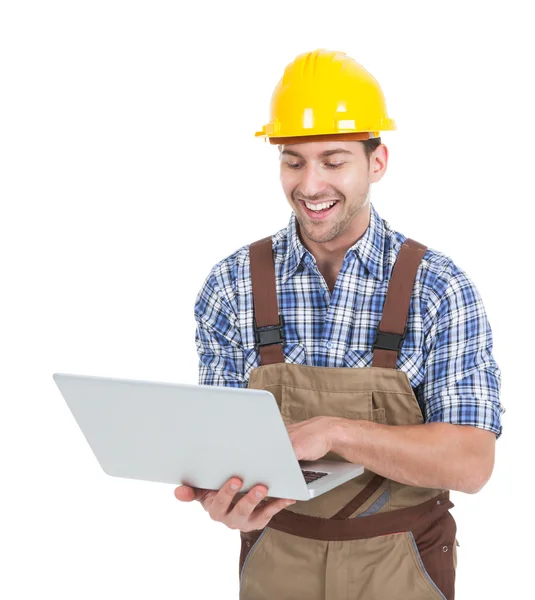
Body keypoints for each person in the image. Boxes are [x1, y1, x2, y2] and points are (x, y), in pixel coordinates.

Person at [174, 49, 505, 600]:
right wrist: (223, 499)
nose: (310, 185)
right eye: (293, 160)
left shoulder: (438, 287)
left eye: (333, 160)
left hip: (400, 567)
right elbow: (224, 446)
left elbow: (471, 463)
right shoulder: (232, 285)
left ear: (377, 162)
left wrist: (336, 431)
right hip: (277, 562)